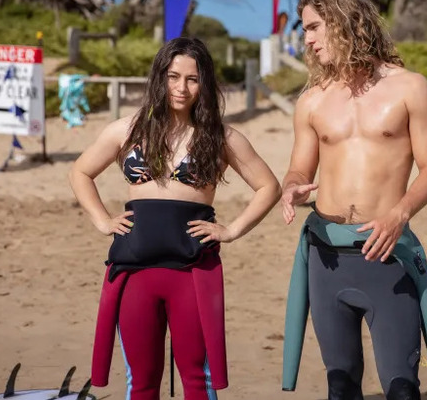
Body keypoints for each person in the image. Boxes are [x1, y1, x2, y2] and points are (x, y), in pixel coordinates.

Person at [68, 37, 281, 400]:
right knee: (142, 381)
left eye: (193, 79)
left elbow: (268, 187)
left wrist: (231, 230)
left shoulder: (221, 136)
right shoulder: (127, 129)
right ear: (159, 77)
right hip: (134, 270)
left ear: (205, 83)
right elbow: (80, 173)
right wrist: (103, 220)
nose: (181, 88)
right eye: (173, 76)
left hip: (193, 272)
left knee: (199, 380)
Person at [279, 0, 427, 400]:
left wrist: (400, 213)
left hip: (385, 252)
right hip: (327, 258)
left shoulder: (410, 88)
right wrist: (292, 189)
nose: (307, 39)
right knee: (339, 385)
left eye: (314, 27)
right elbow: (298, 169)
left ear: (343, 20)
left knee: (400, 387)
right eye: (305, 30)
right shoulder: (311, 101)